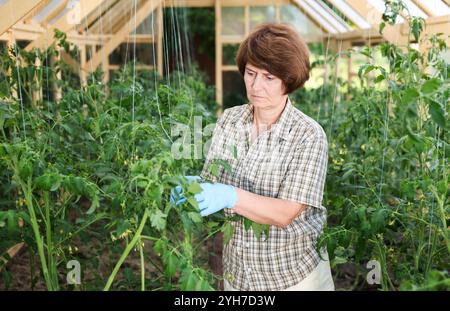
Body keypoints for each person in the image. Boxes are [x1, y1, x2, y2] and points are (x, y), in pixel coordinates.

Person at [172, 23, 334, 291]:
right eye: (250, 73)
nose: (256, 85)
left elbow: (285, 213)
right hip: (240, 276)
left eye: (269, 77)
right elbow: (213, 180)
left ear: (288, 80)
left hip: (292, 278)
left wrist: (229, 195)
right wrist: (192, 189)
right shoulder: (230, 119)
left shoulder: (308, 135)